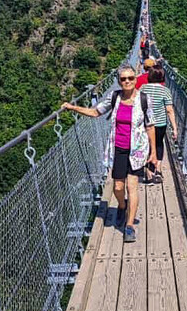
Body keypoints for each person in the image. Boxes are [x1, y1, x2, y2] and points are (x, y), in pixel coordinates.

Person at [61, 65, 156, 243]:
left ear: (136, 79)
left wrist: (153, 153)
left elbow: (150, 126)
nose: (127, 81)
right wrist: (72, 108)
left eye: (130, 78)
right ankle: (122, 205)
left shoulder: (145, 99)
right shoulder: (114, 97)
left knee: (132, 186)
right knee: (118, 187)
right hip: (118, 149)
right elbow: (96, 112)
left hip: (137, 150)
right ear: (119, 81)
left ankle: (129, 226)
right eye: (123, 79)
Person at [141, 65, 177, 183]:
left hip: (145, 123)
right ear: (162, 76)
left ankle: (149, 172)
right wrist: (174, 128)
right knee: (158, 144)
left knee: (147, 144)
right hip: (160, 123)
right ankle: (158, 169)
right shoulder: (165, 90)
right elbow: (169, 110)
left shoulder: (143, 88)